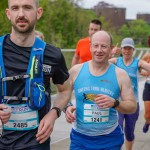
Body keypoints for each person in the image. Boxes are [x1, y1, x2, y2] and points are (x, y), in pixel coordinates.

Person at [0, 0, 72, 149]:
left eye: (27, 7)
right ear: (8, 13)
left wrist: (53, 113)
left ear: (38, 12)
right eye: (15, 8)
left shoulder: (53, 55)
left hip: (37, 142)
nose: (21, 14)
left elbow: (65, 90)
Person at [65, 31, 137, 150]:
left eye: (104, 46)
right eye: (96, 45)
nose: (99, 50)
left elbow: (132, 107)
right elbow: (63, 96)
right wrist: (67, 107)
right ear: (90, 47)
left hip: (109, 139)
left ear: (111, 49)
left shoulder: (121, 75)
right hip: (80, 138)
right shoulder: (75, 71)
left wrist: (115, 103)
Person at [109, 38, 150, 150]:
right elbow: (99, 63)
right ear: (121, 49)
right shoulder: (116, 61)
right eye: (124, 48)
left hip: (133, 103)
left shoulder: (138, 62)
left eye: (129, 48)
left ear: (133, 50)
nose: (127, 51)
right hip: (119, 102)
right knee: (118, 127)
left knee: (129, 132)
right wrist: (111, 54)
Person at [140, 53, 150, 133]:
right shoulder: (148, 55)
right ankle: (147, 122)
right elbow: (138, 66)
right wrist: (144, 73)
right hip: (149, 86)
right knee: (147, 115)